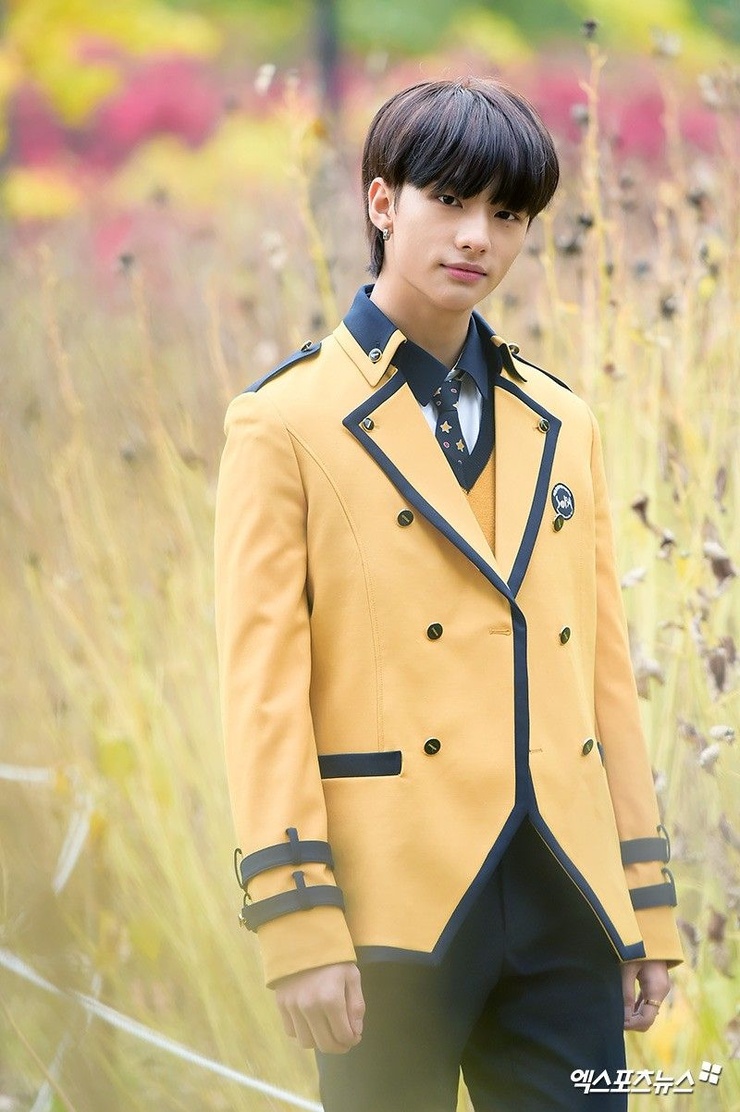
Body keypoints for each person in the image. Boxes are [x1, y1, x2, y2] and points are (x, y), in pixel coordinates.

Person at [214, 77, 683, 1111]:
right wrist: (296, 921)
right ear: (383, 203)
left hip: (563, 899)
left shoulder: (562, 419)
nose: (478, 236)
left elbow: (602, 678)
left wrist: (642, 902)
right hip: (391, 909)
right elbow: (263, 694)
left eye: (507, 214)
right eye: (452, 201)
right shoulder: (282, 421)